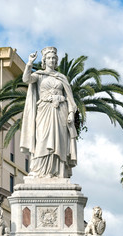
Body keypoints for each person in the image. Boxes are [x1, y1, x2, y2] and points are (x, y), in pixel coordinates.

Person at [20, 46, 78, 178]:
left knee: (60, 141)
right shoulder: (39, 75)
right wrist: (29, 63)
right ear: (44, 61)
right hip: (44, 111)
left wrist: (70, 113)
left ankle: (58, 171)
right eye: (49, 58)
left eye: (53, 58)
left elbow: (70, 99)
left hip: (60, 111)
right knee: (42, 139)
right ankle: (39, 170)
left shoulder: (61, 77)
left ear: (56, 61)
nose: (51, 60)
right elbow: (26, 79)